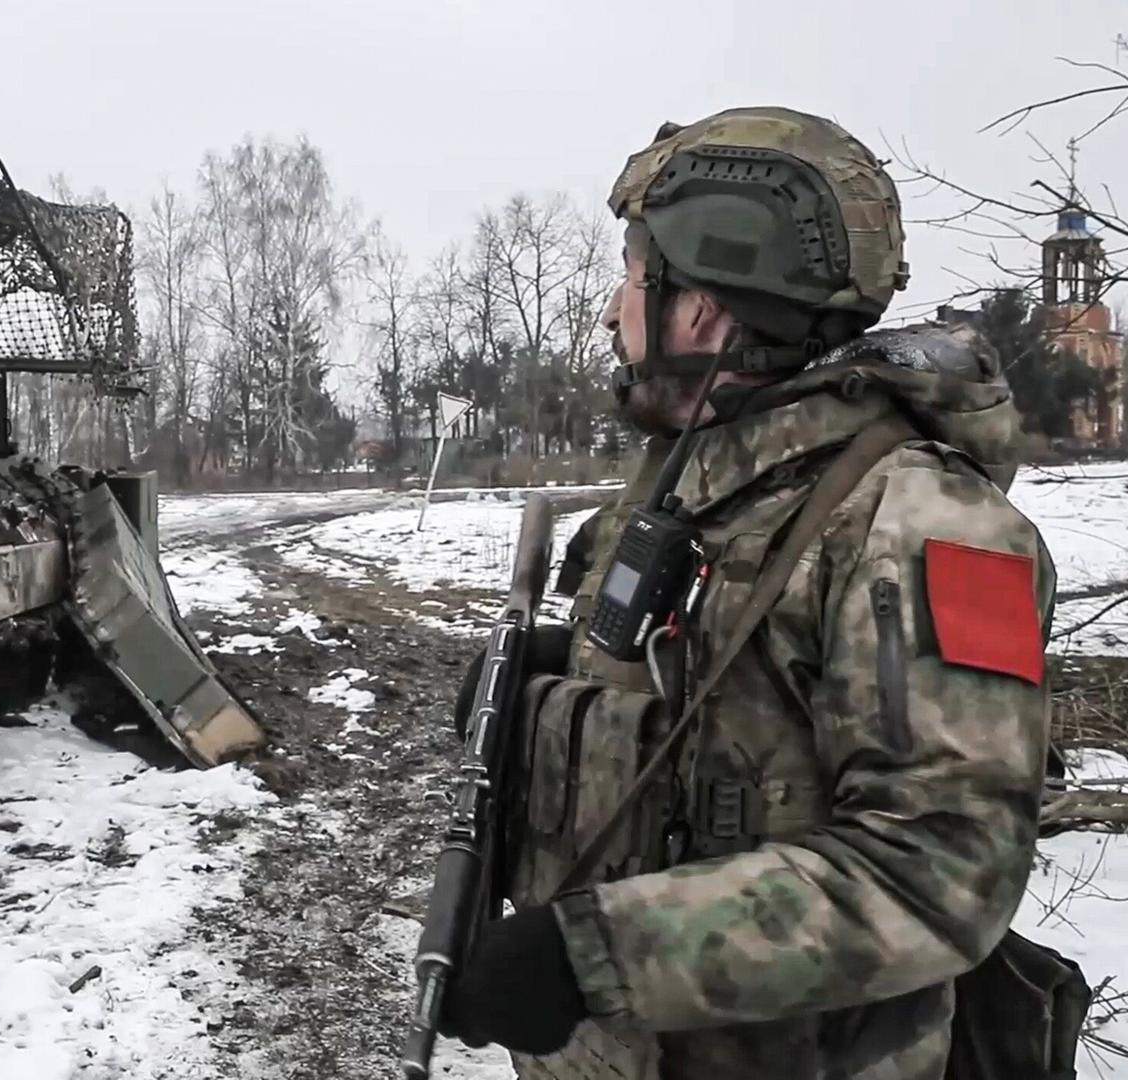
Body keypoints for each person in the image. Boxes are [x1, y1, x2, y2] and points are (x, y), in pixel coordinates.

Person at [438, 107, 1059, 1079]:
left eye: (635, 275)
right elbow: (723, 716)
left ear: (707, 304)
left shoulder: (930, 525)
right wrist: (564, 687)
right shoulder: (697, 485)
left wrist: (595, 955)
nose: (611, 311)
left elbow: (943, 871)